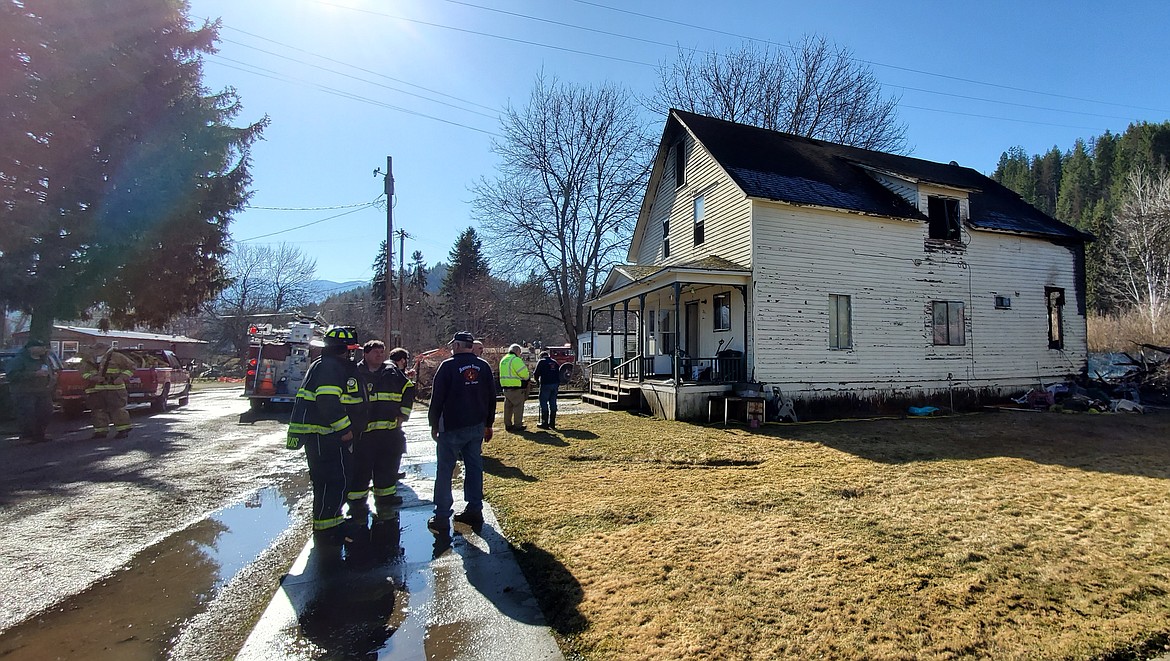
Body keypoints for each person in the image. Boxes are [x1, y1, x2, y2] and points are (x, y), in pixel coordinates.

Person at [287, 325, 363, 544]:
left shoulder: (325, 365)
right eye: (350, 350)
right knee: (334, 480)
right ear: (344, 349)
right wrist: (345, 429)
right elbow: (328, 402)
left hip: (325, 437)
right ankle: (329, 528)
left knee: (329, 481)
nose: (351, 354)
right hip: (327, 436)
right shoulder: (330, 368)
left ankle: (329, 522)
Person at [427, 331, 496, 535]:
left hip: (452, 426)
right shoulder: (483, 366)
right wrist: (488, 424)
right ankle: (475, 508)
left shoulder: (448, 366)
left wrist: (433, 424)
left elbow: (437, 397)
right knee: (474, 467)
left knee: (445, 470)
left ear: (457, 345)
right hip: (476, 425)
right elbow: (492, 397)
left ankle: (441, 516)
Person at [347, 341, 415, 523]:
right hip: (363, 435)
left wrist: (403, 414)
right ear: (365, 354)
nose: (379, 355)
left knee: (387, 467)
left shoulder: (392, 372)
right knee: (360, 470)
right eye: (376, 352)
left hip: (388, 433)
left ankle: (385, 498)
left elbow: (408, 388)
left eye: (382, 352)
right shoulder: (355, 373)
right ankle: (356, 503)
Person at [3, 339, 58, 441]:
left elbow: (51, 371)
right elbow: (11, 375)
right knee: (28, 414)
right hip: (24, 392)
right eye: (41, 347)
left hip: (43, 391)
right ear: (31, 348)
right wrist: (34, 374)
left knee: (46, 412)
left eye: (44, 347)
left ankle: (40, 434)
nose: (44, 349)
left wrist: (52, 378)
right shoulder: (19, 360)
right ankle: (28, 435)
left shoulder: (45, 359)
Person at [79, 342, 135, 439]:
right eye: (93, 349)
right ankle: (101, 431)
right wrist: (93, 378)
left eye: (97, 349)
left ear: (104, 349)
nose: (95, 351)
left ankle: (123, 430)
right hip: (95, 389)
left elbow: (131, 367)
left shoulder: (117, 357)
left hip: (115, 389)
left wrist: (121, 378)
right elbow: (83, 372)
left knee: (118, 410)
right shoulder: (88, 359)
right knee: (97, 411)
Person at [498, 343, 530, 432]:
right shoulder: (515, 360)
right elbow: (524, 374)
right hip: (516, 387)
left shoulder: (503, 359)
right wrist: (527, 379)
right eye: (520, 352)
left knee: (508, 407)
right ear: (517, 351)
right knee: (518, 407)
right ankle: (518, 425)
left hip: (505, 387)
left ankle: (507, 424)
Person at [532, 350, 561, 430]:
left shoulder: (541, 362)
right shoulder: (554, 362)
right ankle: (552, 423)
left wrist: (537, 381)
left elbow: (536, 374)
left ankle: (544, 422)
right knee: (553, 402)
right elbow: (559, 373)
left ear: (541, 356)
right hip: (555, 384)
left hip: (545, 384)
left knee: (543, 402)